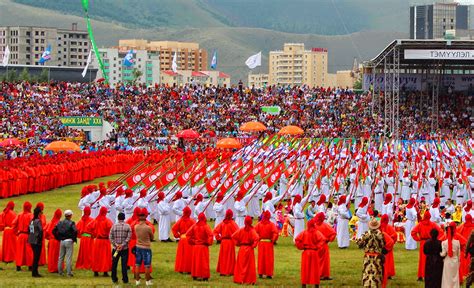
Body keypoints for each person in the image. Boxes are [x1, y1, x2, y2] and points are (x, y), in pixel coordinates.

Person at [411, 210, 444, 281]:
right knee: (431, 259)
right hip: (431, 242)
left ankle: (420, 275)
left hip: (423, 242)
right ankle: (430, 274)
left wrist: (418, 239)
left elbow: (413, 232)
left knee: (422, 259)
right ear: (430, 217)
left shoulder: (420, 224)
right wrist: (437, 240)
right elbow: (441, 232)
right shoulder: (432, 224)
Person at [295, 218, 327, 288]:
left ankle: (304, 284)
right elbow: (323, 240)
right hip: (314, 252)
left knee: (305, 269)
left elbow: (297, 240)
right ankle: (316, 285)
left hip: (306, 252)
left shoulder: (304, 232)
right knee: (315, 269)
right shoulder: (317, 232)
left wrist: (302, 246)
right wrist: (317, 246)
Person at [356, 218, 386, 288]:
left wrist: (358, 242)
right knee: (376, 274)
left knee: (367, 274)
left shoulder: (366, 234)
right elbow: (383, 245)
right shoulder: (380, 234)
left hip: (368, 257)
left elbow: (360, 244)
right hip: (377, 257)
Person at [232, 216, 259, 285]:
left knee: (241, 265)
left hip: (242, 249)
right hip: (249, 249)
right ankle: (249, 279)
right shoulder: (252, 231)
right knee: (249, 265)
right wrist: (253, 246)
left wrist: (237, 244)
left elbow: (233, 236)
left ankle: (239, 279)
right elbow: (257, 238)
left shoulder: (241, 230)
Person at [186, 212, 213, 281]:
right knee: (204, 262)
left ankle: (195, 275)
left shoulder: (194, 226)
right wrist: (208, 242)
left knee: (196, 261)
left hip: (196, 247)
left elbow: (188, 234)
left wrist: (192, 241)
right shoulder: (206, 226)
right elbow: (211, 235)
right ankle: (204, 276)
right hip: (203, 247)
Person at [88, 206, 113, 277]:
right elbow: (111, 228)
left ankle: (96, 271)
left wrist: (93, 234)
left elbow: (88, 226)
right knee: (105, 256)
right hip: (105, 241)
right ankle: (105, 271)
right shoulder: (107, 221)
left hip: (97, 241)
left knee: (97, 256)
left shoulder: (96, 220)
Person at [213, 209, 238, 276]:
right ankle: (230, 271)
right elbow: (237, 232)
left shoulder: (222, 223)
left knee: (223, 256)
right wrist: (236, 241)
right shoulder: (233, 223)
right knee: (230, 257)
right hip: (230, 242)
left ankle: (222, 271)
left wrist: (219, 238)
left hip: (223, 242)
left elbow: (215, 231)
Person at [254, 210, 279, 279]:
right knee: (269, 259)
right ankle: (268, 274)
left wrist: (258, 238)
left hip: (261, 243)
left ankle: (260, 273)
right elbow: (275, 233)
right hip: (268, 243)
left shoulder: (259, 224)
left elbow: (254, 232)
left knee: (261, 258)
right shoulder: (271, 224)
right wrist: (273, 240)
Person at [109, 212, 132, 284]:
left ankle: (114, 278)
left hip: (116, 250)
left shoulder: (114, 226)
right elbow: (129, 237)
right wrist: (122, 244)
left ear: (118, 218)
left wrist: (116, 245)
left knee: (114, 263)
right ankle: (125, 279)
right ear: (124, 218)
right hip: (124, 249)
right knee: (124, 264)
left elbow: (110, 237)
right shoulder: (128, 226)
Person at [172, 207, 195, 274]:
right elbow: (195, 229)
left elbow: (174, 228)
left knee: (181, 254)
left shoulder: (180, 220)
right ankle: (188, 269)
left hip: (182, 239)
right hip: (189, 239)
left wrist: (177, 235)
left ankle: (180, 269)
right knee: (189, 254)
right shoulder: (192, 221)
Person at [54, 209, 78, 277]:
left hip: (62, 241)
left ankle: (60, 272)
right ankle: (68, 273)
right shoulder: (71, 223)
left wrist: (58, 237)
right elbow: (75, 231)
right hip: (69, 241)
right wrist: (73, 238)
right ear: (70, 215)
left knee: (61, 257)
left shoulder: (60, 222)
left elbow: (54, 230)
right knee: (68, 257)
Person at [314, 212, 336, 280]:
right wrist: (329, 239)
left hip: (316, 246)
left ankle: (318, 274)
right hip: (324, 245)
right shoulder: (325, 225)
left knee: (317, 260)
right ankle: (325, 274)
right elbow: (333, 233)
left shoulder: (314, 226)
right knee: (325, 261)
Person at [134, 208, 154, 286]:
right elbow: (152, 237)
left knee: (137, 264)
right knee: (147, 265)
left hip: (138, 246)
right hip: (146, 247)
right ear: (145, 217)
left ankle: (137, 280)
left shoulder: (136, 226)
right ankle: (147, 281)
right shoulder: (148, 228)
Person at [13, 201, 33, 271]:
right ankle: (30, 266)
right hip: (28, 235)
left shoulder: (19, 215)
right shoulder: (31, 215)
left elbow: (14, 224)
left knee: (20, 251)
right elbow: (32, 226)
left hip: (21, 235)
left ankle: (18, 266)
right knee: (29, 251)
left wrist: (16, 233)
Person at [440, 222, 461, 288]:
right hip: (455, 261)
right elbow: (458, 254)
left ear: (446, 233)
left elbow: (443, 254)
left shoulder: (443, 243)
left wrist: (439, 254)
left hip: (447, 261)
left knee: (447, 277)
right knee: (455, 277)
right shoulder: (457, 242)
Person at [75, 206, 93, 270]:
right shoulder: (91, 220)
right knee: (89, 251)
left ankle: (82, 263)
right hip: (89, 238)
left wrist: (80, 235)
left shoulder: (81, 220)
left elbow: (76, 229)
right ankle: (88, 264)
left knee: (83, 251)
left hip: (83, 238)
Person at [45, 209, 62, 273]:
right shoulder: (60, 223)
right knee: (58, 255)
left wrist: (49, 238)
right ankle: (58, 267)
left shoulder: (50, 223)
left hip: (51, 241)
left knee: (51, 255)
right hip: (58, 241)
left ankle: (51, 268)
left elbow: (46, 233)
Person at [28, 206, 43, 278]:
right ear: (39, 213)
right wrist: (40, 239)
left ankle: (34, 271)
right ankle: (35, 272)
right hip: (37, 241)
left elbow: (30, 230)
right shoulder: (38, 221)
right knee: (36, 257)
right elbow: (40, 231)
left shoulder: (31, 220)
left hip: (31, 240)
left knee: (35, 257)